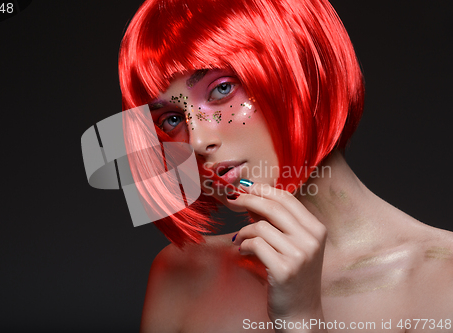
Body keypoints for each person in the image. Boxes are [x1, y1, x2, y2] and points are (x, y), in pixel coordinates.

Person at [118, 0, 453, 331]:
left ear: (302, 68)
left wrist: (302, 322)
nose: (195, 142)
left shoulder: (442, 281)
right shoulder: (182, 274)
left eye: (222, 89)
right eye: (172, 119)